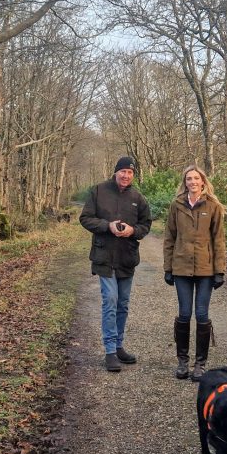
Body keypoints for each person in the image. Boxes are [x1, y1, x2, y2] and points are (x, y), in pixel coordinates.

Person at [80, 156, 152, 372]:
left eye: (130, 173)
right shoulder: (99, 191)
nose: (126, 175)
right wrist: (107, 225)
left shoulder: (138, 197)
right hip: (104, 256)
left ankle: (119, 345)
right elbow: (85, 218)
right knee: (110, 301)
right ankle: (110, 350)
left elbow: (146, 224)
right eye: (122, 171)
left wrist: (133, 231)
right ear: (115, 172)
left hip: (126, 258)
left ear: (133, 175)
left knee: (122, 304)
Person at [162, 165, 226, 381]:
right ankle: (182, 362)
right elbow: (169, 237)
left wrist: (219, 270)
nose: (192, 182)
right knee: (184, 313)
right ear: (185, 182)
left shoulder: (213, 206)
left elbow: (218, 240)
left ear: (203, 182)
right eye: (189, 179)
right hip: (180, 268)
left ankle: (200, 364)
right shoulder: (176, 205)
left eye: (196, 178)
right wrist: (168, 268)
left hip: (206, 269)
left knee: (201, 314)